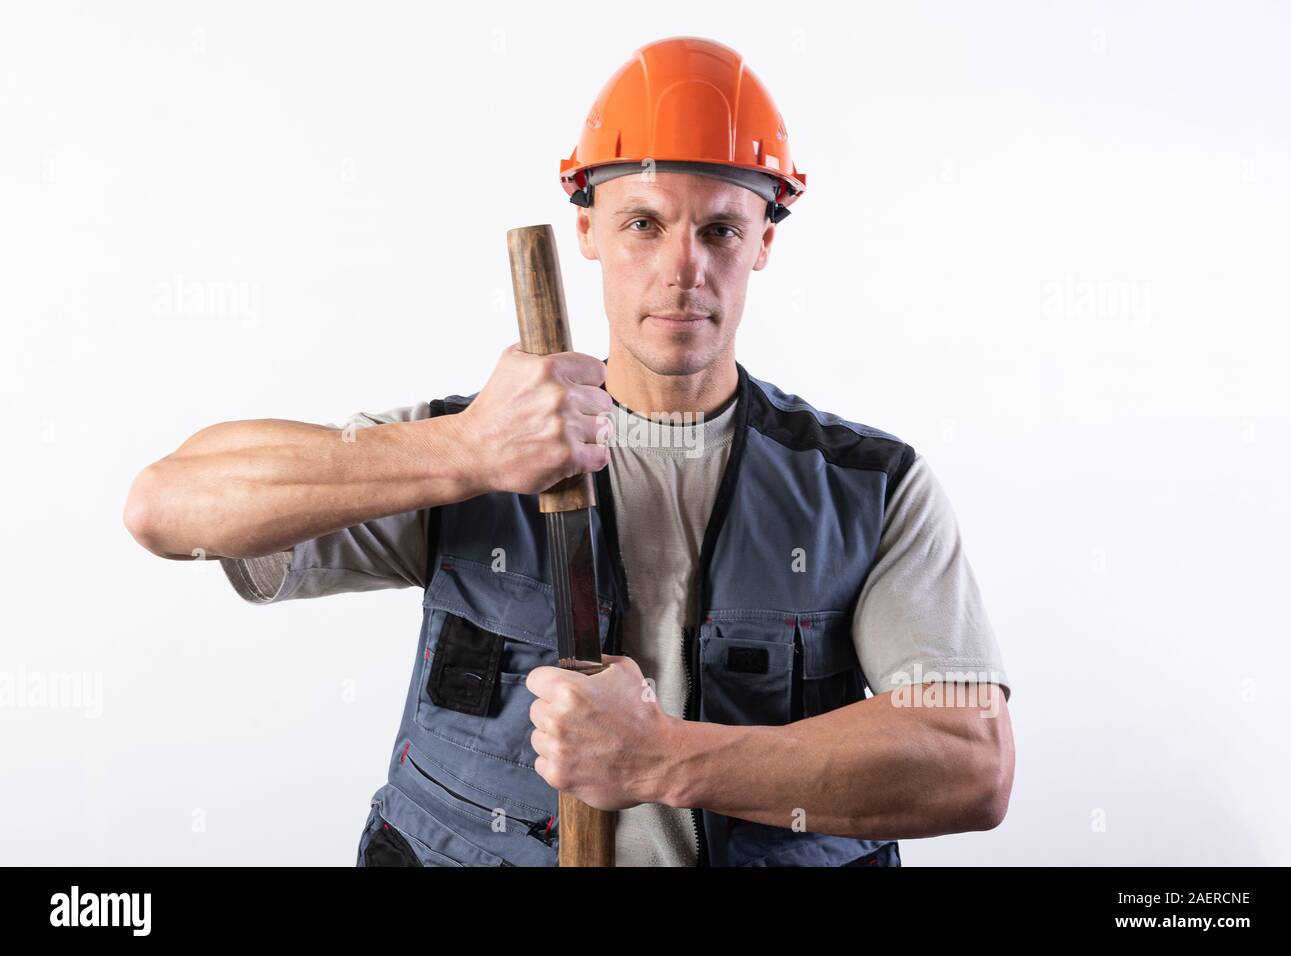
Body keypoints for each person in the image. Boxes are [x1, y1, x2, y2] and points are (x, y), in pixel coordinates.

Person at [124, 35, 1014, 867]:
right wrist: (463, 451)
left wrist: (666, 760)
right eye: (643, 223)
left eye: (720, 230)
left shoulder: (867, 489)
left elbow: (972, 763)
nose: (682, 269)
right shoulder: (465, 446)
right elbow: (167, 507)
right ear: (586, 229)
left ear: (765, 242)